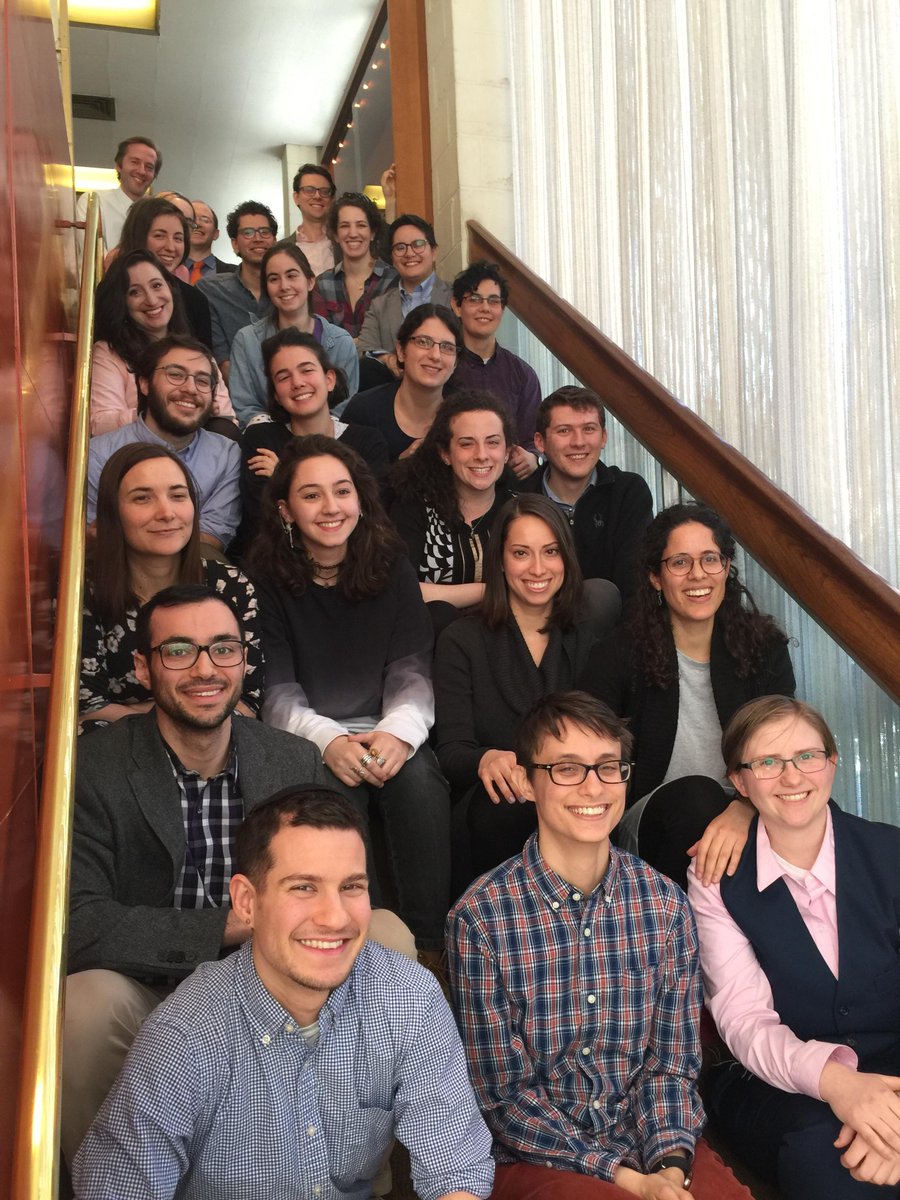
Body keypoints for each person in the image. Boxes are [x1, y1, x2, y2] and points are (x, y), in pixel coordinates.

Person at [73, 786, 495, 1200]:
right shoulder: (185, 1034)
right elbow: (121, 1187)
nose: (335, 918)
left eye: (351, 886)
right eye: (303, 887)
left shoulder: (408, 997)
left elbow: (455, 1170)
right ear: (247, 903)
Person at [447, 690, 749, 1200]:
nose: (594, 787)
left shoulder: (665, 905)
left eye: (609, 767)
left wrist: (668, 1170)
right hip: (537, 1152)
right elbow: (503, 1099)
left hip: (650, 1142)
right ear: (527, 781)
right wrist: (625, 1179)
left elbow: (672, 1066)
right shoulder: (480, 919)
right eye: (567, 768)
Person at [64, 585, 328, 1164]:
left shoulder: (293, 761)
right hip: (149, 987)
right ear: (144, 667)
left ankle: (349, 1181)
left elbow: (337, 890)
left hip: (269, 983)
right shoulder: (93, 768)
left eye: (223, 649)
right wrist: (226, 926)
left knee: (385, 934)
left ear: (243, 660)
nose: (205, 669)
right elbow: (79, 923)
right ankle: (108, 1183)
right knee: (85, 1002)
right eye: (180, 651)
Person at [689, 696, 900, 1199]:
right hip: (776, 1082)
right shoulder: (715, 880)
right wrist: (838, 1084)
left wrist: (890, 1120)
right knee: (826, 1159)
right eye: (767, 762)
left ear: (832, 762)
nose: (792, 776)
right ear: (740, 783)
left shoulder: (892, 852)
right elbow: (744, 1021)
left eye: (807, 756)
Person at [249, 436, 451, 951]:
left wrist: (397, 734)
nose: (331, 507)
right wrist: (329, 741)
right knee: (333, 797)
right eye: (311, 495)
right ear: (285, 509)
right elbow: (277, 691)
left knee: (421, 785)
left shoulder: (392, 565)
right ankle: (367, 951)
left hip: (387, 729)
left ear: (360, 499)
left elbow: (412, 666)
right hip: (310, 739)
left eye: (342, 491)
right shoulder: (265, 580)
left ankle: (428, 948)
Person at [579, 502, 795, 888]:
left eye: (710, 559)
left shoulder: (764, 648)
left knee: (823, 810)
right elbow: (591, 757)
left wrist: (745, 807)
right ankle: (678, 924)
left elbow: (785, 745)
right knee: (698, 798)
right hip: (655, 816)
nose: (698, 574)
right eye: (680, 562)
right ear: (655, 577)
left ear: (726, 567)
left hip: (752, 801)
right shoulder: (618, 654)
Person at [434, 494, 619, 882]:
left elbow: (606, 738)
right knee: (507, 803)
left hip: (574, 793)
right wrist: (485, 758)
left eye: (550, 552)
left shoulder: (591, 636)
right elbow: (451, 751)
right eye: (521, 553)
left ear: (566, 558)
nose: (537, 568)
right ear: (501, 561)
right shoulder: (460, 640)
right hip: (494, 808)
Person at [80, 444, 260, 725]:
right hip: (117, 745)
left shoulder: (230, 584)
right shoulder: (84, 590)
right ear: (113, 512)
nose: (166, 512)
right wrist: (194, 709)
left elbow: (247, 702)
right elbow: (87, 710)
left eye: (178, 496)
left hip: (217, 741)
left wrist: (144, 711)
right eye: (142, 498)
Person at [234, 328, 388, 556]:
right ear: (276, 394)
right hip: (280, 562)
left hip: (357, 561)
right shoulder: (261, 437)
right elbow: (262, 522)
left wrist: (282, 477)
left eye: (306, 370)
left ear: (329, 379)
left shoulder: (368, 441)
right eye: (283, 377)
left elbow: (372, 518)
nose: (297, 382)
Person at [87, 335, 241, 553]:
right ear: (145, 383)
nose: (191, 389)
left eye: (202, 381)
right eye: (176, 375)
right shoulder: (99, 454)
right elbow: (96, 537)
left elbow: (214, 535)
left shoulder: (227, 455)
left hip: (197, 570)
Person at [389, 390, 516, 616]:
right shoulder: (414, 508)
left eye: (493, 442)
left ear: (507, 452)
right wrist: (488, 591)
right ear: (445, 453)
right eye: (467, 444)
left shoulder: (520, 512)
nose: (482, 455)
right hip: (431, 632)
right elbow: (399, 589)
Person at [518, 385, 653, 597]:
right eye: (564, 431)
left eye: (589, 429)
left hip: (612, 615)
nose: (578, 442)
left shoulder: (629, 492)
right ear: (540, 442)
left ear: (603, 437)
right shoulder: (518, 500)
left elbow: (635, 587)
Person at [89, 250, 224, 436]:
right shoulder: (109, 352)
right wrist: (156, 412)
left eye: (156, 285)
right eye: (135, 292)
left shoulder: (196, 350)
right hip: (136, 450)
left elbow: (225, 414)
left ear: (171, 288)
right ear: (122, 302)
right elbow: (99, 424)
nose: (151, 300)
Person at [229, 239, 358, 425]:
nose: (284, 286)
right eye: (274, 279)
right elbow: (245, 406)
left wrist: (312, 430)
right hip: (268, 436)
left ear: (310, 282)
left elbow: (345, 406)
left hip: (328, 436)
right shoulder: (247, 340)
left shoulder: (340, 342)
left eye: (292, 276)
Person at [448, 260, 543, 478]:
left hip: (508, 481)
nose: (485, 308)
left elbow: (533, 439)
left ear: (503, 308)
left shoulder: (523, 374)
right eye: (475, 299)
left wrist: (533, 457)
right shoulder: (443, 366)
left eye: (493, 301)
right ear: (456, 306)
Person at [342, 303, 462, 462]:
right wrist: (402, 465)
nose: (435, 355)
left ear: (455, 363)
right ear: (400, 351)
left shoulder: (467, 414)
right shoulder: (363, 411)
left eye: (447, 347)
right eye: (423, 342)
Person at [356, 213, 453, 385]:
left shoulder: (454, 297)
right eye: (400, 248)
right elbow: (363, 349)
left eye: (418, 245)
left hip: (445, 387)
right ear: (392, 258)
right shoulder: (379, 305)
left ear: (434, 252)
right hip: (394, 388)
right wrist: (387, 359)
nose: (409, 253)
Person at [116, 195, 214, 349]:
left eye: (178, 238)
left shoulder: (195, 300)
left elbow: (205, 358)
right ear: (138, 236)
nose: (170, 247)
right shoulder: (113, 291)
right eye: (159, 236)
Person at [197, 200, 278, 381]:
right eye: (248, 233)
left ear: (275, 241)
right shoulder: (212, 291)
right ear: (235, 244)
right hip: (235, 393)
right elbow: (223, 362)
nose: (257, 238)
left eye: (265, 232)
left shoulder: (288, 290)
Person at [312, 191, 397, 338]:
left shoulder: (393, 280)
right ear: (336, 235)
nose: (353, 233)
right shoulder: (322, 284)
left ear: (372, 233)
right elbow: (323, 341)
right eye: (345, 226)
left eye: (361, 225)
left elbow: (391, 339)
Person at [75, 135, 160, 254]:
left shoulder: (158, 213)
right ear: (119, 166)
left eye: (149, 167)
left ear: (154, 175)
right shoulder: (93, 202)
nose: (142, 171)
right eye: (135, 162)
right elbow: (94, 256)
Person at [292, 161, 337, 276]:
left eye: (324, 192)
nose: (317, 196)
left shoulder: (344, 242)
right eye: (309, 190)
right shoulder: (282, 248)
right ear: (296, 197)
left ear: (332, 200)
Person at [185, 199, 235, 282]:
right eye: (192, 219)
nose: (197, 224)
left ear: (215, 234)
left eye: (205, 220)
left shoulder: (236, 274)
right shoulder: (166, 270)